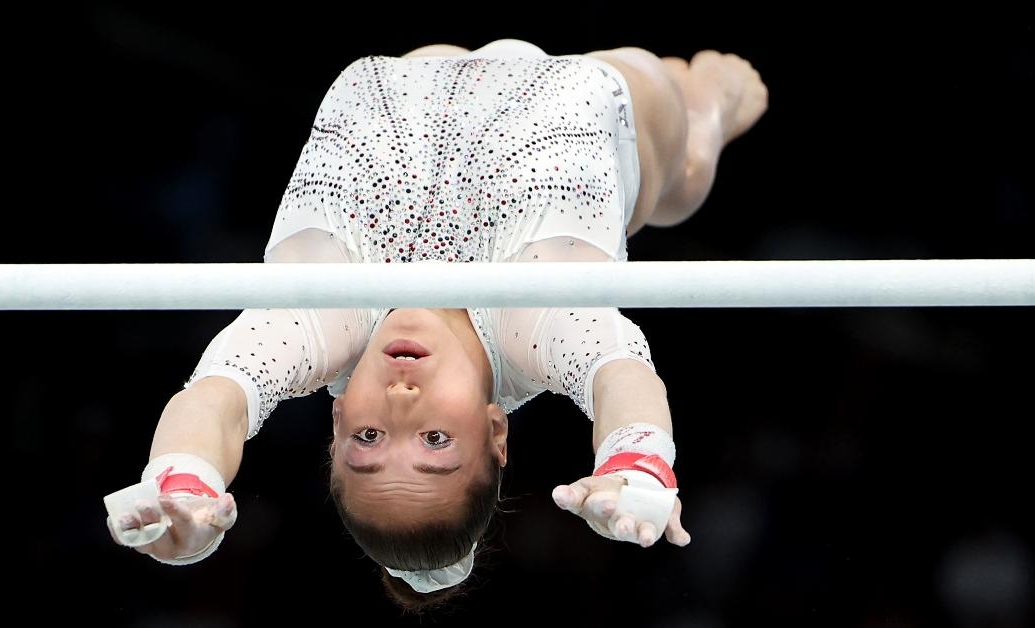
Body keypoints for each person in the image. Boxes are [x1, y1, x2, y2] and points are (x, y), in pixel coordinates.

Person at [105, 38, 768, 610]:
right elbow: (621, 376)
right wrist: (638, 461)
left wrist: (184, 481)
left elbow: (217, 399)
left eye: (368, 437)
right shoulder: (530, 327)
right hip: (602, 97)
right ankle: (705, 123)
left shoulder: (322, 323)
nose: (399, 402)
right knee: (677, 173)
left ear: (335, 429)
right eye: (434, 440)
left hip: (410, 77)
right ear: (495, 431)